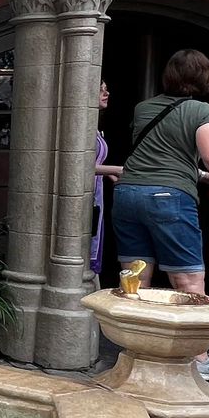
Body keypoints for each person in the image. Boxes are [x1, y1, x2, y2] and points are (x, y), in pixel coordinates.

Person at [112, 49, 209, 379]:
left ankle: (136, 351)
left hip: (127, 193)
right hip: (168, 199)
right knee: (188, 279)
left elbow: (164, 155)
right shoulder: (203, 110)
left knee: (135, 276)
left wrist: (199, 175)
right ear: (205, 77)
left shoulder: (144, 108)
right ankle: (198, 360)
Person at [93, 81, 122, 275]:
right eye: (100, 89)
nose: (107, 92)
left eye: (106, 88)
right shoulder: (81, 126)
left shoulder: (94, 127)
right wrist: (120, 170)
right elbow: (80, 165)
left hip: (97, 193)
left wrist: (111, 175)